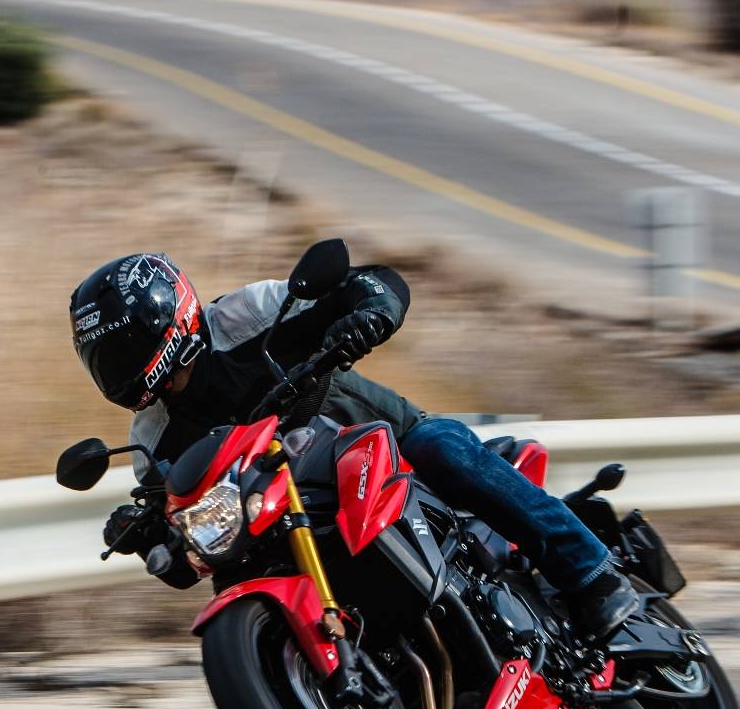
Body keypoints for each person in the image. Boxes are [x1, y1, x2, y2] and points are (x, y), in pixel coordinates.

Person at [68, 251, 638, 641]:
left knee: (443, 448)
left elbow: (373, 283)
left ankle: (592, 574)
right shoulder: (151, 437)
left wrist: (369, 314)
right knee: (234, 574)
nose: (117, 370)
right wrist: (149, 538)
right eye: (103, 361)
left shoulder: (244, 316)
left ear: (166, 317)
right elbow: (189, 551)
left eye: (123, 351)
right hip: (293, 520)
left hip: (389, 451)